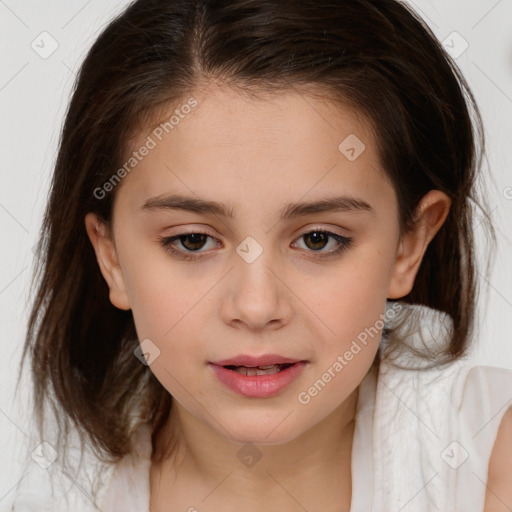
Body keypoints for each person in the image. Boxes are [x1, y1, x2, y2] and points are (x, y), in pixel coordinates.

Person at [9, 0, 512, 511]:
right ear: (111, 257)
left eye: (318, 239)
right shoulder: (56, 489)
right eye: (192, 240)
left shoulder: (491, 460)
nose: (255, 306)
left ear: (409, 244)